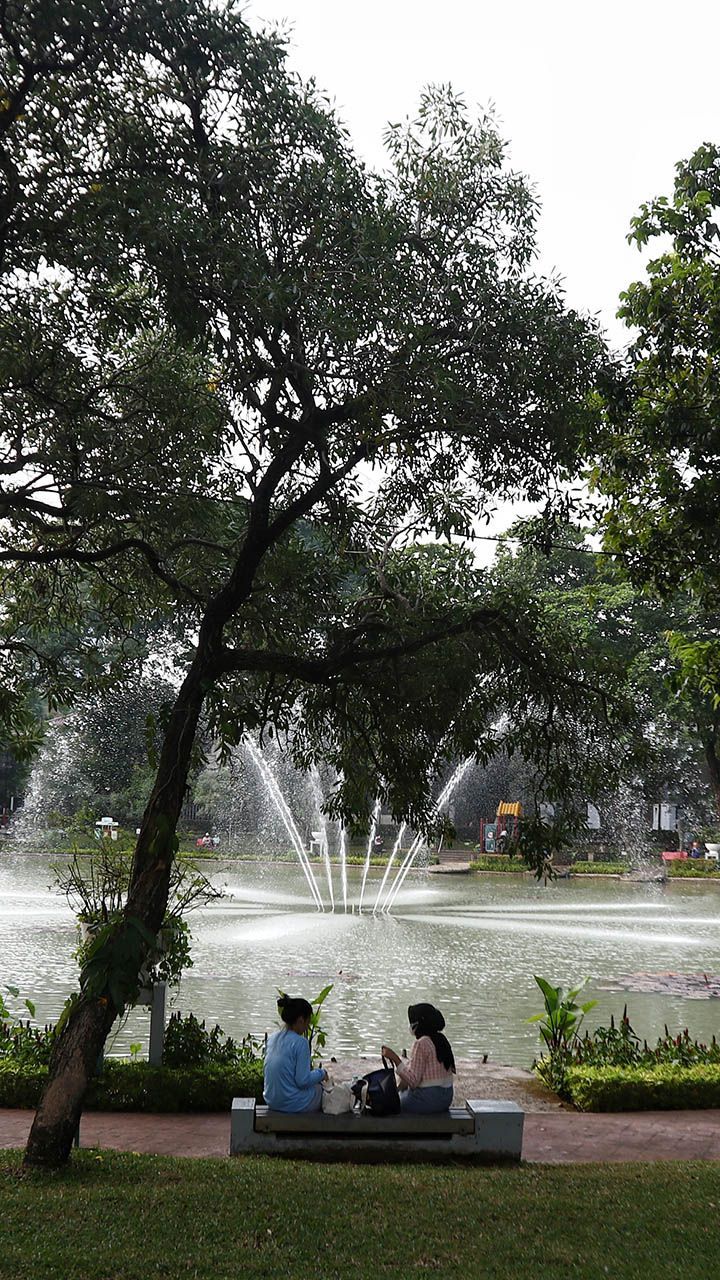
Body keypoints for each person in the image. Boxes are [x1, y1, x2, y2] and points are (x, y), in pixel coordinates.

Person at [381, 1002, 456, 1114]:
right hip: (446, 1098)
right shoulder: (441, 1040)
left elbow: (413, 1081)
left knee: (393, 1105)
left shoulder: (421, 1044)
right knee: (402, 1093)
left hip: (429, 1099)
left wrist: (395, 1058)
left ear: (420, 1023)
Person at [263, 993, 327, 1112]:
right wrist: (321, 1073)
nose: (308, 1027)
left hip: (271, 1101)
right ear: (301, 1020)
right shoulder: (300, 1043)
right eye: (308, 1022)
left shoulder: (272, 1038)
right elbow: (302, 1081)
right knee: (320, 1089)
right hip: (292, 1104)